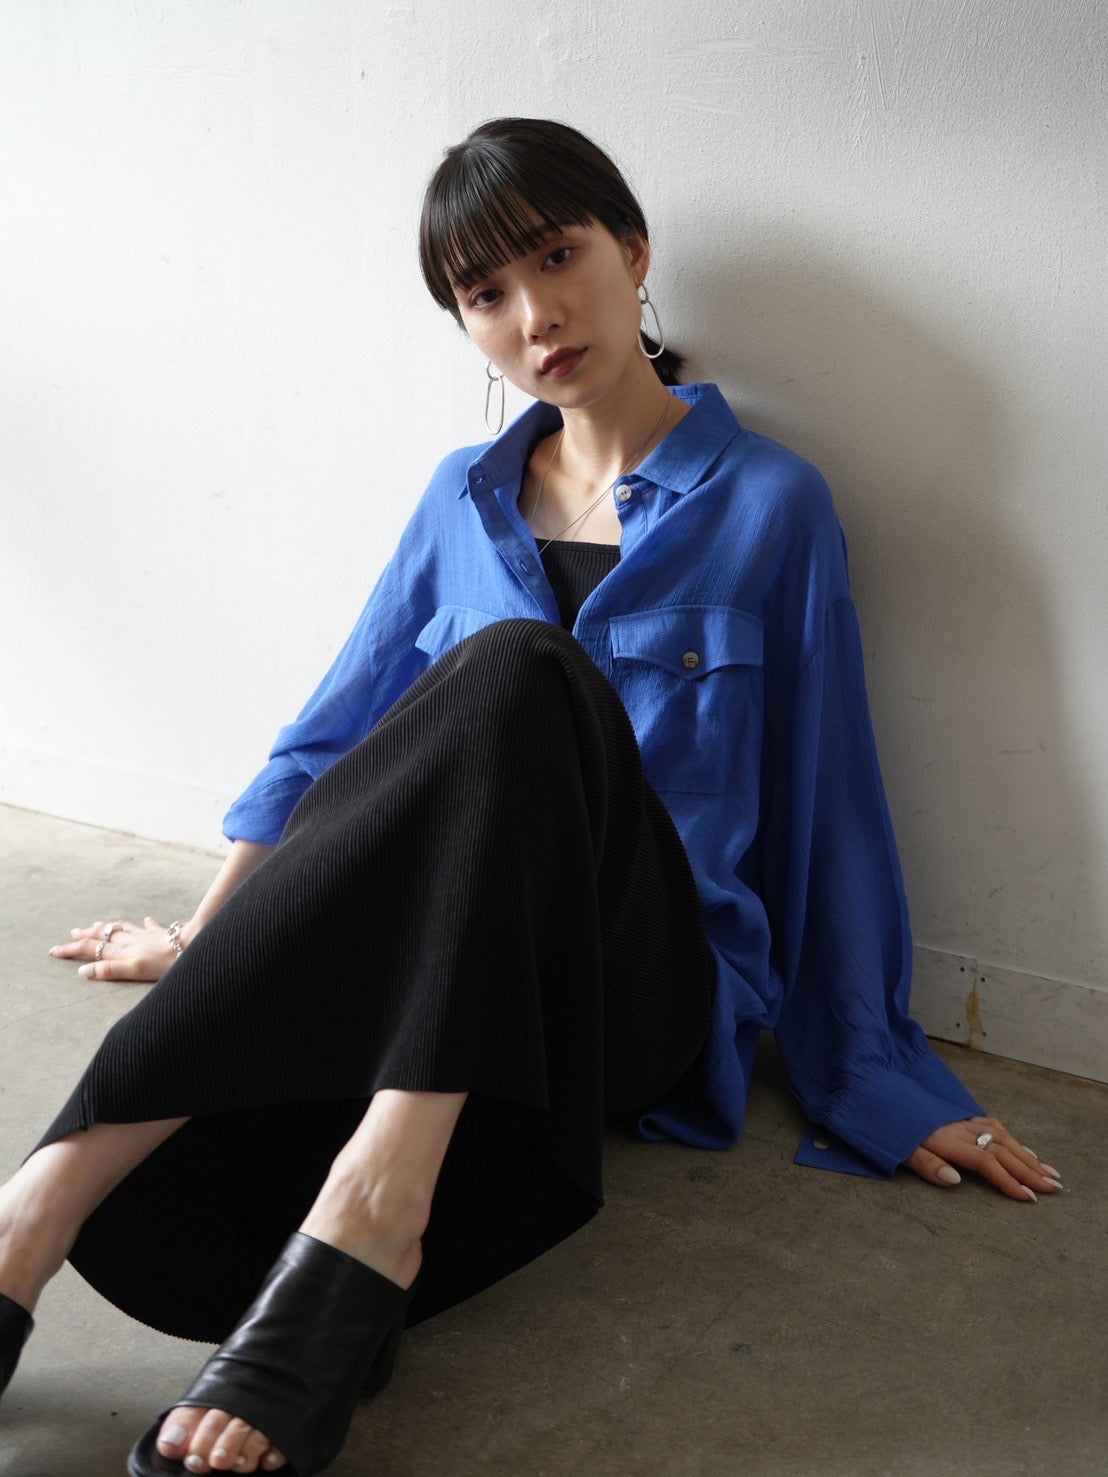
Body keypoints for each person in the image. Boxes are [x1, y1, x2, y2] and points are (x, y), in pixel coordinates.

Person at [0, 119, 1061, 1477]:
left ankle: (376, 1206)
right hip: (460, 972)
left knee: (522, 674)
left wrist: (875, 1069)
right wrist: (212, 941)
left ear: (635, 253)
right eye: (485, 293)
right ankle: (33, 1219)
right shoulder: (460, 499)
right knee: (470, 716)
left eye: (558, 259)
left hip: (632, 994)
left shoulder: (772, 503)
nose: (535, 315)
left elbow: (830, 801)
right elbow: (331, 745)